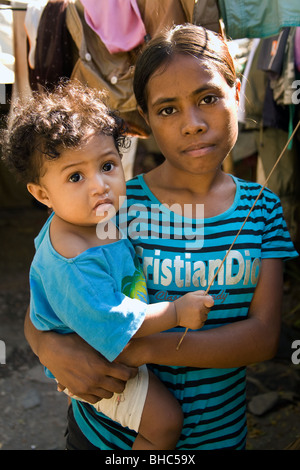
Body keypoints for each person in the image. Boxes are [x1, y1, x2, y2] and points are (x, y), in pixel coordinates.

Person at [23, 25, 298, 450]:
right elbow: (52, 285)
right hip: (104, 436)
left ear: (237, 93)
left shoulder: (262, 210)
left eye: (207, 98)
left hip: (218, 437)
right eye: (167, 109)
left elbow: (262, 338)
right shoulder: (110, 205)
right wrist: (46, 345)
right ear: (146, 121)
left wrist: (139, 349)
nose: (192, 124)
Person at [1, 81, 214, 450]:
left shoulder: (87, 218)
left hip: (102, 347)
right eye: (75, 176)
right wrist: (178, 311)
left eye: (107, 165)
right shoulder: (72, 258)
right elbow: (118, 322)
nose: (99, 185)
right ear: (41, 194)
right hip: (98, 363)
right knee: (164, 422)